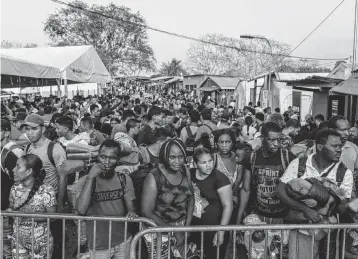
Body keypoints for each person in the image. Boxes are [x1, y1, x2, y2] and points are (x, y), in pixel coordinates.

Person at [278, 129, 354, 259]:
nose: (339, 149)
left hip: (328, 233)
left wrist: (344, 203)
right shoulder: (299, 164)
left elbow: (342, 208)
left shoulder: (344, 173)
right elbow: (280, 191)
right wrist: (305, 209)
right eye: (334, 146)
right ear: (319, 147)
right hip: (300, 230)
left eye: (340, 146)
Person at [76, 140, 137, 259]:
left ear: (118, 159)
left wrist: (132, 212)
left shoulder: (124, 179)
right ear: (97, 157)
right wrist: (90, 178)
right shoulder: (85, 181)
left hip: (123, 240)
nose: (107, 162)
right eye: (103, 157)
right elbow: (81, 210)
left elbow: (131, 207)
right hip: (98, 244)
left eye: (112, 158)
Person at [238, 122, 295, 240]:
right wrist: (238, 220)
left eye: (278, 140)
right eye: (271, 140)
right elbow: (245, 189)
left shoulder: (287, 157)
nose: (276, 144)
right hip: (258, 216)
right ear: (262, 138)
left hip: (282, 217)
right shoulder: (252, 158)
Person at [22, 114, 67, 259]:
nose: (30, 133)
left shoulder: (54, 148)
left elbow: (63, 176)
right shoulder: (27, 148)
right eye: (27, 129)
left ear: (42, 128)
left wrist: (59, 202)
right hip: (32, 206)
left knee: (54, 245)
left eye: (34, 129)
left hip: (50, 207)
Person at [141, 139, 194, 257]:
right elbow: (147, 212)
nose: (177, 161)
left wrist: (187, 227)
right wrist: (174, 232)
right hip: (158, 231)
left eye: (181, 157)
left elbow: (191, 198)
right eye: (172, 157)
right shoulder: (154, 177)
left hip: (181, 226)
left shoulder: (184, 170)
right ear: (164, 157)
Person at [8, 154, 57, 259]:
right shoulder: (15, 188)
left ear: (29, 171)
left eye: (18, 166)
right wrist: (9, 211)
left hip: (40, 244)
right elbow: (11, 207)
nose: (13, 170)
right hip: (18, 241)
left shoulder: (46, 190)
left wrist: (25, 215)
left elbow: (52, 217)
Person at [190, 147, 233, 259]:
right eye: (203, 162)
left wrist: (221, 231)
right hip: (193, 229)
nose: (208, 165)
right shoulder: (189, 175)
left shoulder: (220, 178)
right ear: (195, 163)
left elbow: (228, 206)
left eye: (210, 161)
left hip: (214, 230)